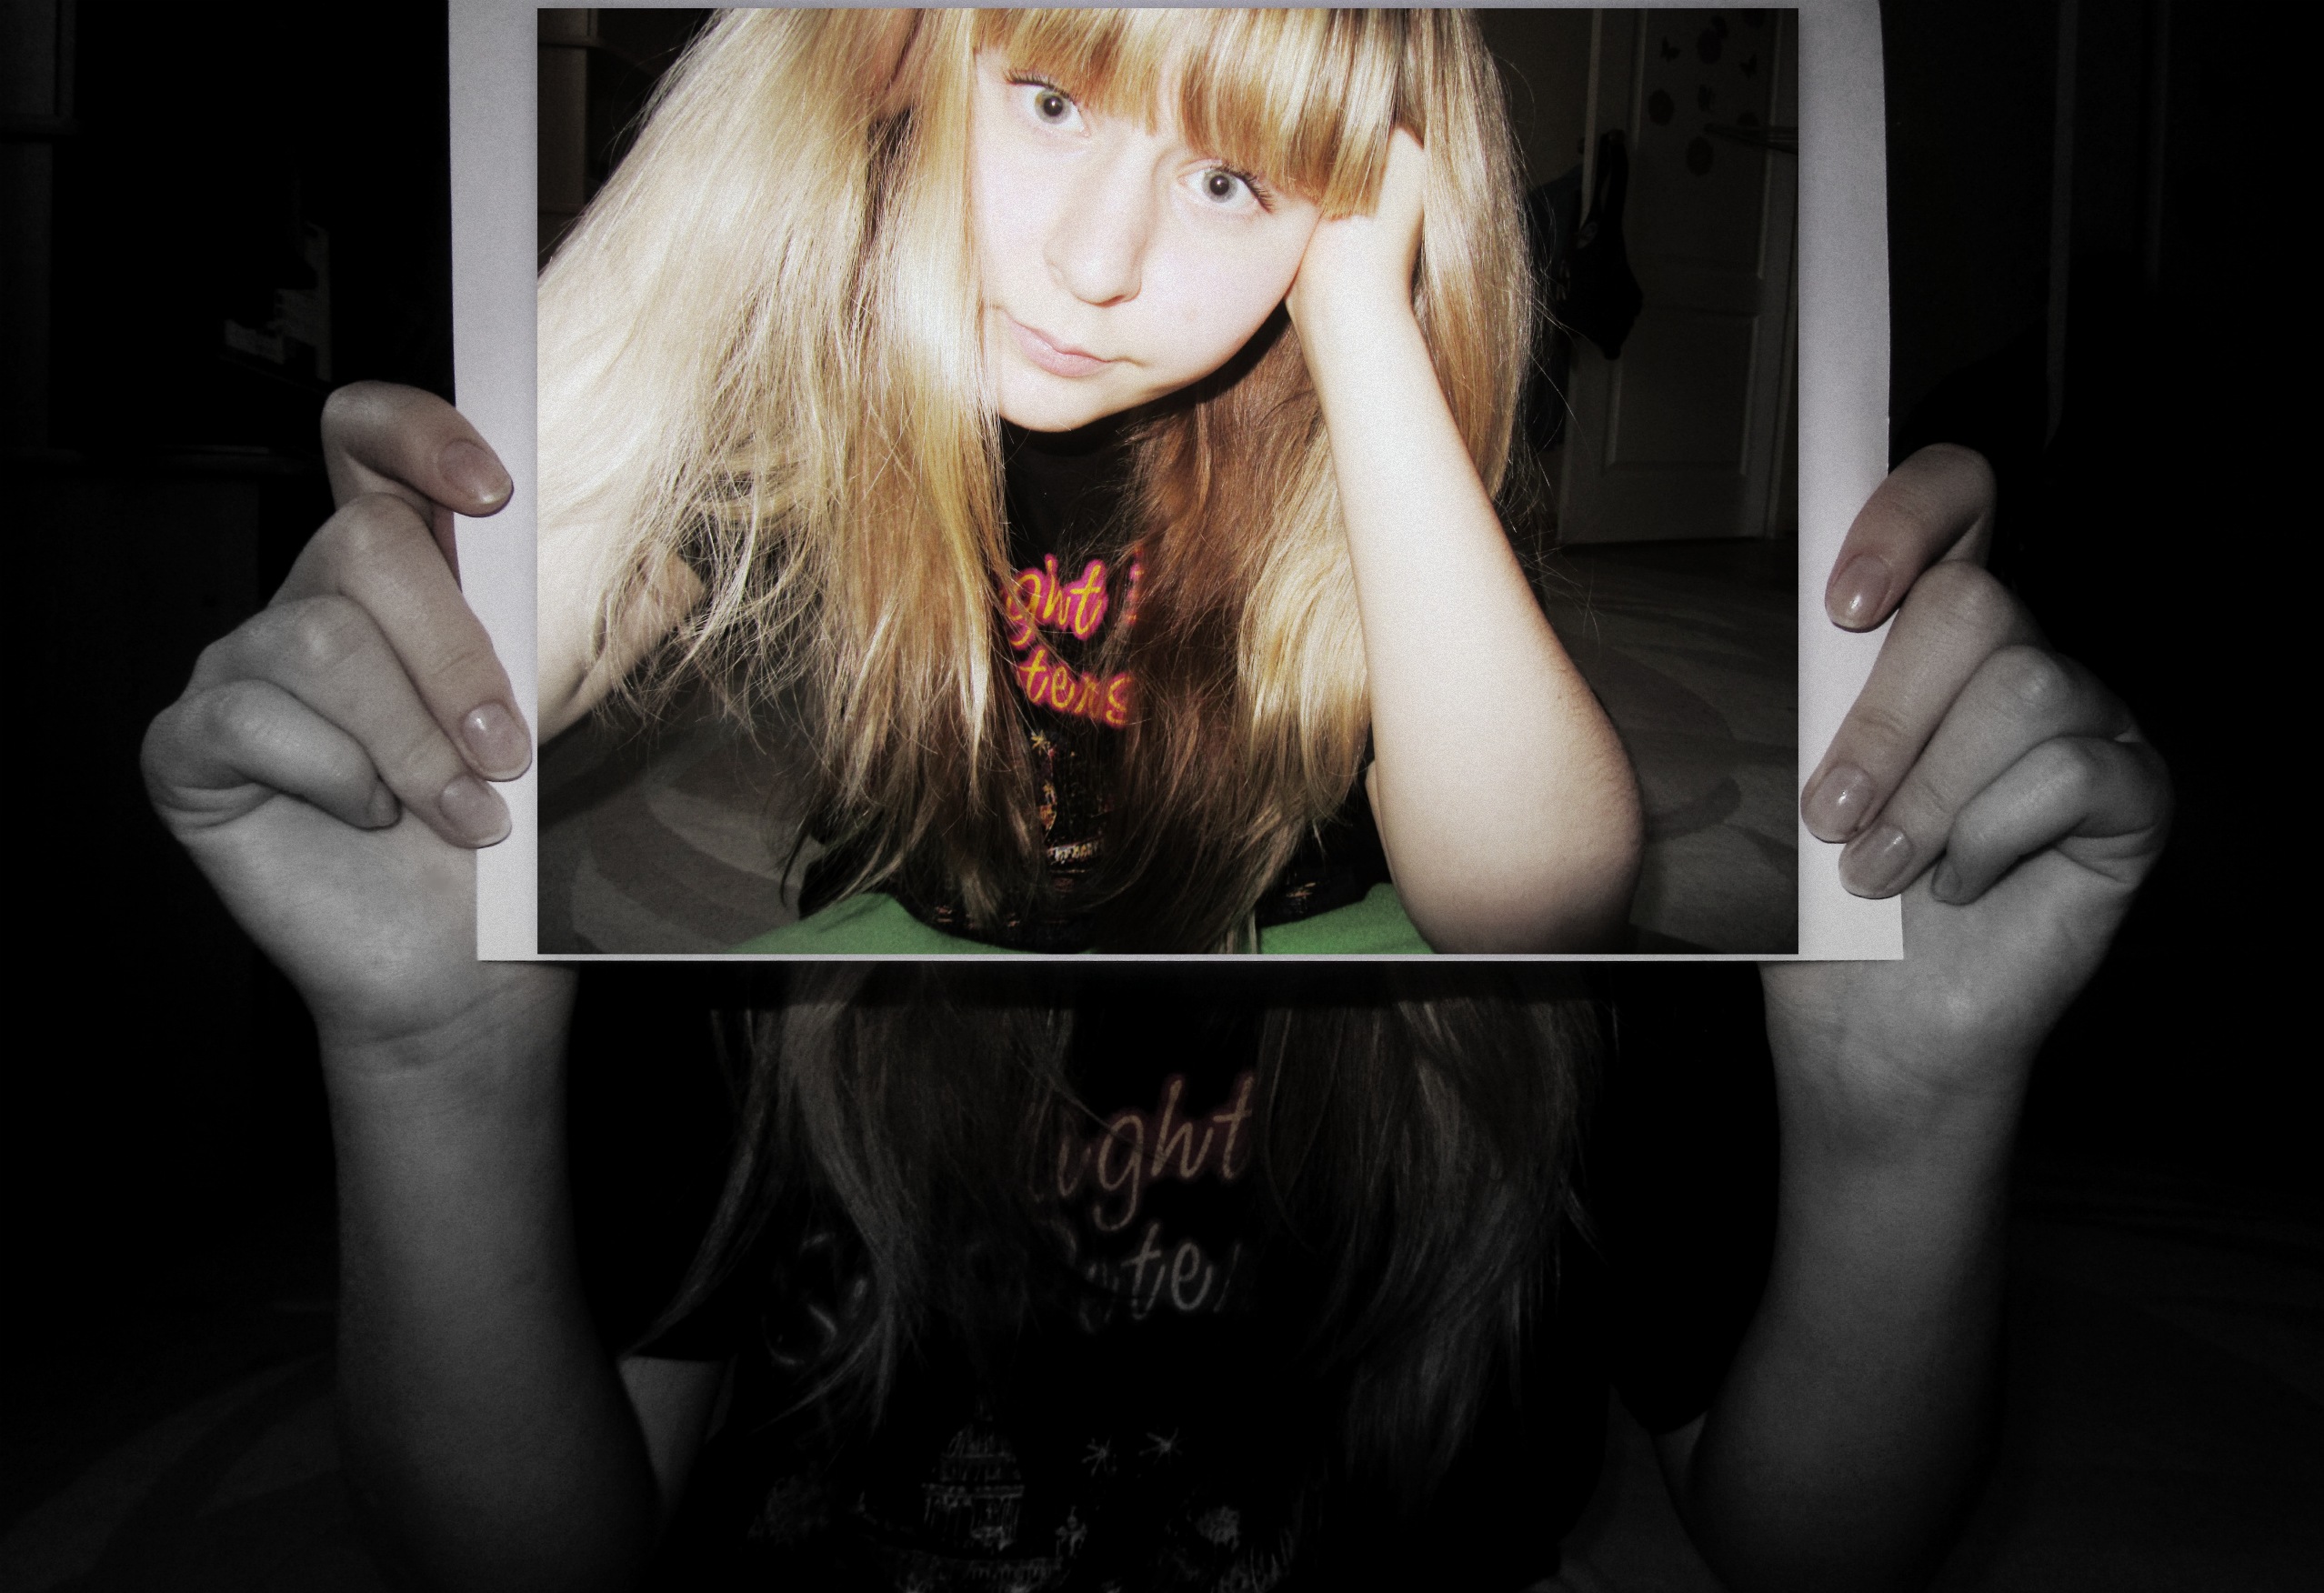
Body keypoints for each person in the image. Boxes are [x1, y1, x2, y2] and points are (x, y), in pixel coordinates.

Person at [144, 378, 2170, 1589]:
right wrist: (430, 1053)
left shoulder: (1569, 903)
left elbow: (1816, 1551)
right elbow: (519, 1560)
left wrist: (1908, 1116)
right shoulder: (737, 913)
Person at [529, 7, 1643, 955]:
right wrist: (776, 100)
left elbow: (1533, 913)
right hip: (943, 952)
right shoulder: (841, 350)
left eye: (1226, 182)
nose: (1095, 264)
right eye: (1053, 104)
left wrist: (1362, 313)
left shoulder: (1346, 434)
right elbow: (508, 663)